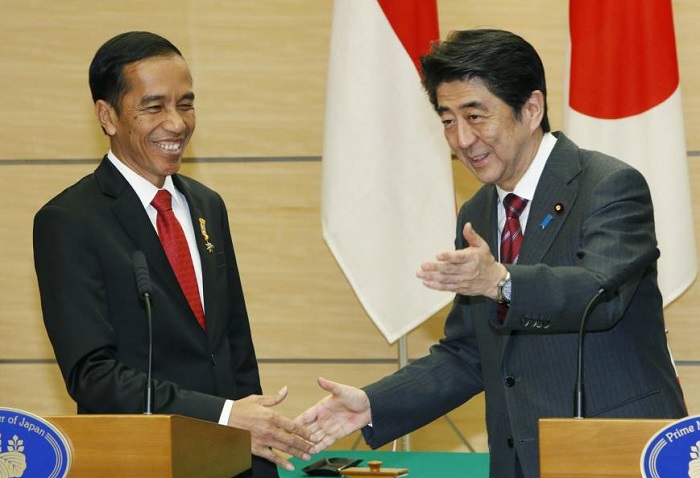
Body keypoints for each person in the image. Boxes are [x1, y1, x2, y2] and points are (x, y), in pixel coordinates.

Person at [297, 29, 687, 478]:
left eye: (475, 116)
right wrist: (370, 405)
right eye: (447, 120)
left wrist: (500, 282)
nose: (462, 139)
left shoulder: (608, 185)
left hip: (620, 453)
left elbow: (600, 295)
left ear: (531, 109)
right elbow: (468, 353)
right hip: (520, 459)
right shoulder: (479, 212)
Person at [33, 31, 316, 477]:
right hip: (136, 461)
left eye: (185, 104)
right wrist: (223, 415)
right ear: (107, 116)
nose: (177, 123)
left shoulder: (206, 205)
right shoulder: (70, 220)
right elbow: (93, 376)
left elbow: (234, 347)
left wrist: (254, 447)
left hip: (229, 461)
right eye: (154, 106)